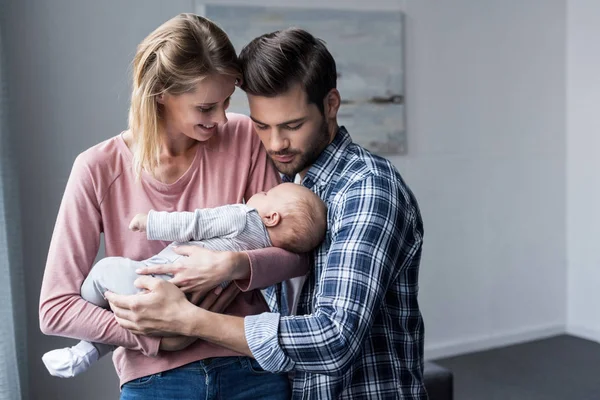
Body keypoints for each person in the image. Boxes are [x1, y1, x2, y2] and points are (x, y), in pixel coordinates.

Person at [106, 27, 427, 399]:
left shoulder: (368, 187)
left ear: (331, 104)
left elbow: (333, 338)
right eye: (262, 126)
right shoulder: (280, 187)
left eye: (292, 126)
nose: (276, 143)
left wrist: (190, 320)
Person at [39, 14, 311, 399]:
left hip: (250, 371)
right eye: (205, 107)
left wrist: (235, 265)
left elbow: (296, 254)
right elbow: (56, 308)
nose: (221, 118)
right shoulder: (98, 169)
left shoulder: (244, 138)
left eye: (226, 102)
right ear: (161, 92)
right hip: (156, 383)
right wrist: (159, 338)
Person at [42, 182, 326, 378]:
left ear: (271, 216)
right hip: (188, 305)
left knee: (104, 272)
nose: (260, 191)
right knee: (127, 312)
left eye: (266, 192)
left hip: (155, 280)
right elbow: (296, 262)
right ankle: (88, 350)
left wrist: (151, 223)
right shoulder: (264, 250)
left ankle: (86, 342)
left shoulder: (244, 217)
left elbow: (196, 222)